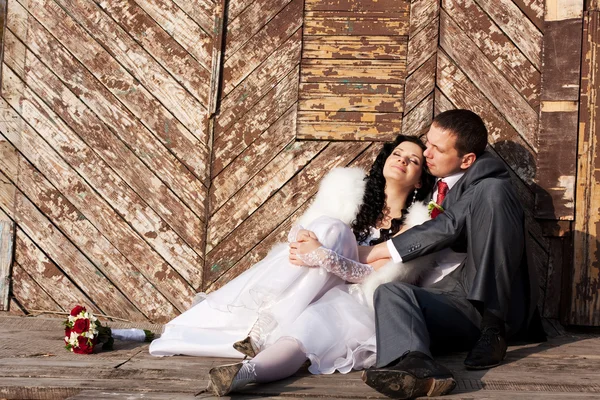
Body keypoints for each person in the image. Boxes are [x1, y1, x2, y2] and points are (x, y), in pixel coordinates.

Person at [149, 134, 435, 396]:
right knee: (331, 226)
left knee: (307, 330)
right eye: (398, 154)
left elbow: (371, 276)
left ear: (420, 179)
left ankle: (244, 372)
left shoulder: (412, 229)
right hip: (307, 283)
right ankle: (260, 331)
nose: (403, 161)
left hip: (350, 297)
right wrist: (306, 243)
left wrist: (322, 254)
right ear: (385, 160)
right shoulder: (349, 201)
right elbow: (303, 231)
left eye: (413, 160)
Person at [361, 109, 545, 399]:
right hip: (440, 300)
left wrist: (373, 252)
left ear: (467, 160)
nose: (427, 152)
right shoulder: (432, 179)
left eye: (438, 149)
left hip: (475, 303)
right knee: (390, 292)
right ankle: (417, 366)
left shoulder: (485, 179)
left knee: (495, 193)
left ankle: (493, 329)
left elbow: (448, 225)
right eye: (427, 142)